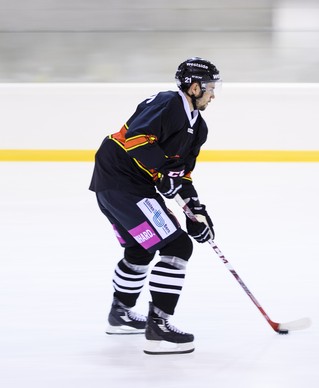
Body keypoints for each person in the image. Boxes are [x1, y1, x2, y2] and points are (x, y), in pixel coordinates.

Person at [89, 57, 221, 355]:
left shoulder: (198, 128)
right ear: (194, 86)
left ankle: (120, 313)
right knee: (177, 247)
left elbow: (181, 175)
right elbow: (136, 140)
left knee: (141, 248)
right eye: (211, 88)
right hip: (122, 183)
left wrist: (196, 211)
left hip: (120, 186)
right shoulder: (169, 103)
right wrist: (161, 173)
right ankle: (158, 327)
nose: (213, 95)